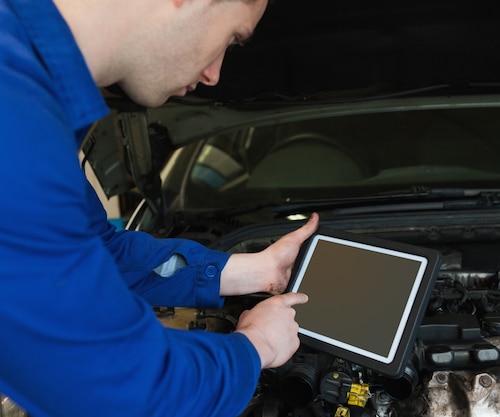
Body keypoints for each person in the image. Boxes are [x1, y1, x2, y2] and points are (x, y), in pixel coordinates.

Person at [0, 0, 319, 416]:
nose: (214, 74)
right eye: (231, 38)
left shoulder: (26, 87)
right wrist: (256, 346)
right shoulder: (17, 124)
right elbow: (121, 390)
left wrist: (256, 271)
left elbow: (107, 255)